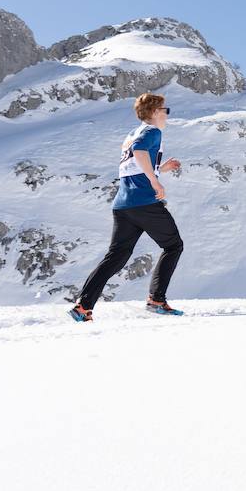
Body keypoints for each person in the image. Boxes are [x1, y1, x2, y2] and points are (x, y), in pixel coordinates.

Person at [70, 93, 185, 321]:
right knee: (173, 245)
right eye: (165, 109)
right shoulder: (152, 132)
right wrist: (154, 181)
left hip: (123, 205)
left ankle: (83, 306)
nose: (167, 113)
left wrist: (160, 168)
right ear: (154, 112)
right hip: (144, 202)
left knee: (116, 257)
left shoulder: (133, 134)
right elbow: (140, 153)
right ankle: (156, 299)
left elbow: (133, 165)